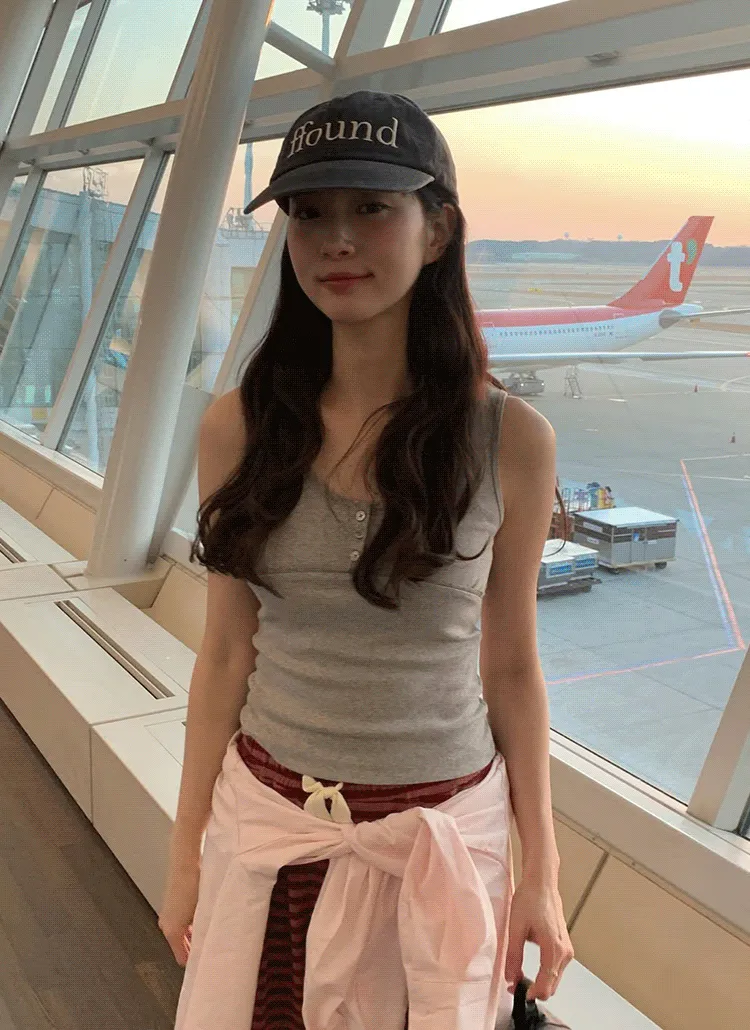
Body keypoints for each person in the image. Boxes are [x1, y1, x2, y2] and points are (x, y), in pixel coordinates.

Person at [160, 90, 573, 1030]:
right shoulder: (238, 427)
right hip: (269, 831)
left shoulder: (510, 440)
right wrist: (186, 854)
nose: (336, 240)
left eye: (373, 207)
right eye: (310, 213)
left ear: (438, 231)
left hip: (440, 842)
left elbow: (512, 667)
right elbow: (225, 653)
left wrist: (541, 876)